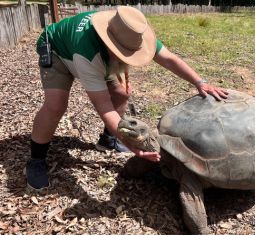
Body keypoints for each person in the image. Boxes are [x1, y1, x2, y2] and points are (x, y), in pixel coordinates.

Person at [27, 6, 228, 191]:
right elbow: (104, 107)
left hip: (97, 55)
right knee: (56, 106)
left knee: (121, 93)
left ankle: (108, 139)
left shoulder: (129, 31)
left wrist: (200, 82)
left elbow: (169, 58)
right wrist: (130, 141)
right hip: (57, 50)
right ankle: (36, 160)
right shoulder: (87, 53)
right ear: (110, 46)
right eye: (124, 54)